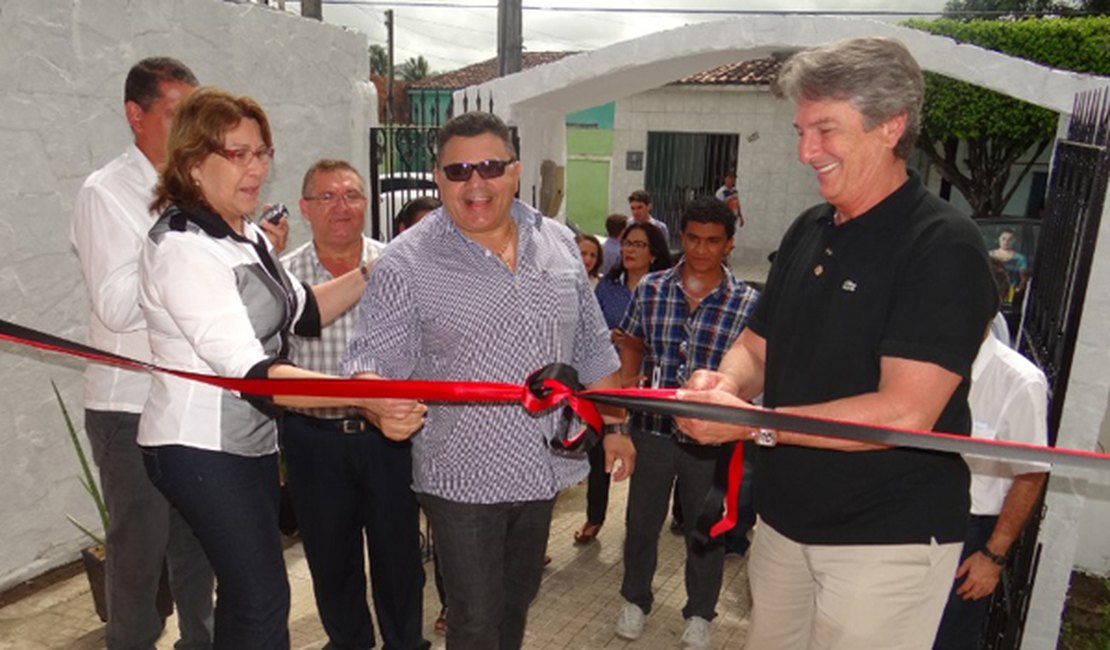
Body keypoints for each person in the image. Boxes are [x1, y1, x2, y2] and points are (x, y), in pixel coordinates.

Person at [674, 37, 997, 650]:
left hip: (886, 541)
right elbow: (757, 345)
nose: (805, 152)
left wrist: (752, 425)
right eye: (800, 131)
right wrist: (726, 384)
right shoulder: (809, 228)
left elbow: (904, 411)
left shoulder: (943, 246)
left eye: (824, 130)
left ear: (890, 125)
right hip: (783, 527)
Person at [137, 87, 421, 648]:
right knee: (263, 602)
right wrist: (362, 397)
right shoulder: (185, 249)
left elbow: (307, 311)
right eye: (237, 154)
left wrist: (376, 269)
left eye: (261, 152)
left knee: (252, 599)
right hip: (198, 448)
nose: (256, 168)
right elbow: (252, 374)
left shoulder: (243, 236)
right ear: (195, 164)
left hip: (246, 446)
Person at [342, 110, 635, 650]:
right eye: (457, 172)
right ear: (438, 179)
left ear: (515, 171)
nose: (475, 183)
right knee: (474, 620)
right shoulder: (406, 262)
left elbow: (592, 342)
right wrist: (375, 402)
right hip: (462, 476)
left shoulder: (559, 243)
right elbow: (372, 362)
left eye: (489, 167)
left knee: (517, 602)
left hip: (546, 465)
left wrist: (615, 424)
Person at [69, 57, 220, 650]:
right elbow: (115, 305)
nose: (191, 130)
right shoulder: (107, 193)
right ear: (136, 116)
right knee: (137, 564)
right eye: (177, 113)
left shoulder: (195, 188)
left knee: (198, 551)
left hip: (187, 402)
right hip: (128, 408)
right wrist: (182, 253)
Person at [280, 160, 429, 650]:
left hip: (388, 440)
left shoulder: (399, 264)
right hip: (314, 441)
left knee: (399, 555)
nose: (341, 207)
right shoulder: (283, 280)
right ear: (304, 208)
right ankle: (349, 642)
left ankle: (405, 642)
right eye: (327, 197)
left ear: (367, 204)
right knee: (330, 558)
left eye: (352, 195)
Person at [614, 197, 759, 649]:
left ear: (729, 244)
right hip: (652, 431)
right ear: (681, 237)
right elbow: (631, 347)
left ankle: (700, 613)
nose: (701, 249)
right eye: (693, 238)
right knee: (641, 523)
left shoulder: (749, 302)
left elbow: (755, 368)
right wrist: (620, 421)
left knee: (707, 529)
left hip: (711, 440)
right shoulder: (652, 289)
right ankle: (635, 599)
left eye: (713, 241)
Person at [932, 286, 1049, 650]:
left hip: (970, 532)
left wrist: (993, 556)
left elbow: (1030, 472)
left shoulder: (1019, 381)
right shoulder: (924, 364)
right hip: (908, 517)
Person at [573, 222, 671, 546]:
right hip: (609, 381)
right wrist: (613, 336)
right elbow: (590, 330)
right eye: (627, 243)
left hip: (651, 384)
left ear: (654, 253)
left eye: (639, 245)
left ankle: (642, 524)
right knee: (603, 447)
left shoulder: (664, 289)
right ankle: (594, 517)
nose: (629, 250)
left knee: (648, 456)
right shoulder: (608, 287)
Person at [989, 229, 1029, 297]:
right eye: (1003, 239)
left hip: (1010, 293)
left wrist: (1018, 290)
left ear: (1014, 241)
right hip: (991, 291)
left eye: (1009, 239)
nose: (1006, 242)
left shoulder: (1020, 258)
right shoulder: (989, 255)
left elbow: (1023, 278)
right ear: (998, 239)